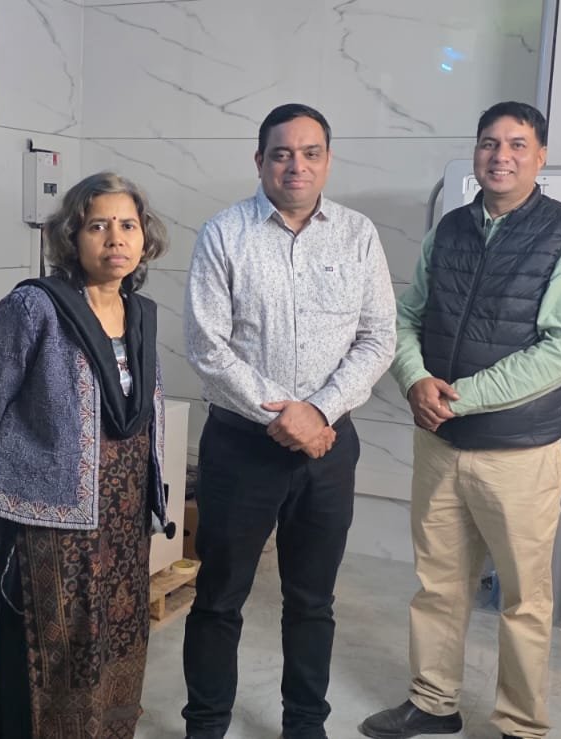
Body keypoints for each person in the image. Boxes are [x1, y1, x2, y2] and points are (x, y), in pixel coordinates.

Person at [360, 101, 561, 739]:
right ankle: (432, 704)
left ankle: (520, 725)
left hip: (518, 453)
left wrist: (457, 397)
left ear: (540, 157)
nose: (501, 156)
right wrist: (414, 379)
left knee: (524, 600)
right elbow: (407, 317)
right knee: (438, 585)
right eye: (490, 143)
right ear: (476, 152)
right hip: (439, 445)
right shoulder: (450, 229)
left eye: (518, 145)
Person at [181, 103, 397, 739]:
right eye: (281, 154)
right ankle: (206, 724)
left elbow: (378, 337)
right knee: (219, 595)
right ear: (260, 161)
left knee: (312, 600)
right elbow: (207, 346)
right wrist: (286, 415)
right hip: (241, 447)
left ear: (327, 161)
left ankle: (305, 723)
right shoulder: (224, 234)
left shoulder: (358, 235)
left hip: (328, 447)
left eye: (310, 153)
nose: (295, 166)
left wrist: (318, 412)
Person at [0, 171, 173, 738]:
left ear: (144, 236)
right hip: (53, 525)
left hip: (123, 524)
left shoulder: (141, 313)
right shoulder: (35, 307)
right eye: (98, 226)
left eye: (128, 225)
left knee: (116, 649)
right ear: (71, 237)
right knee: (52, 665)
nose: (116, 238)